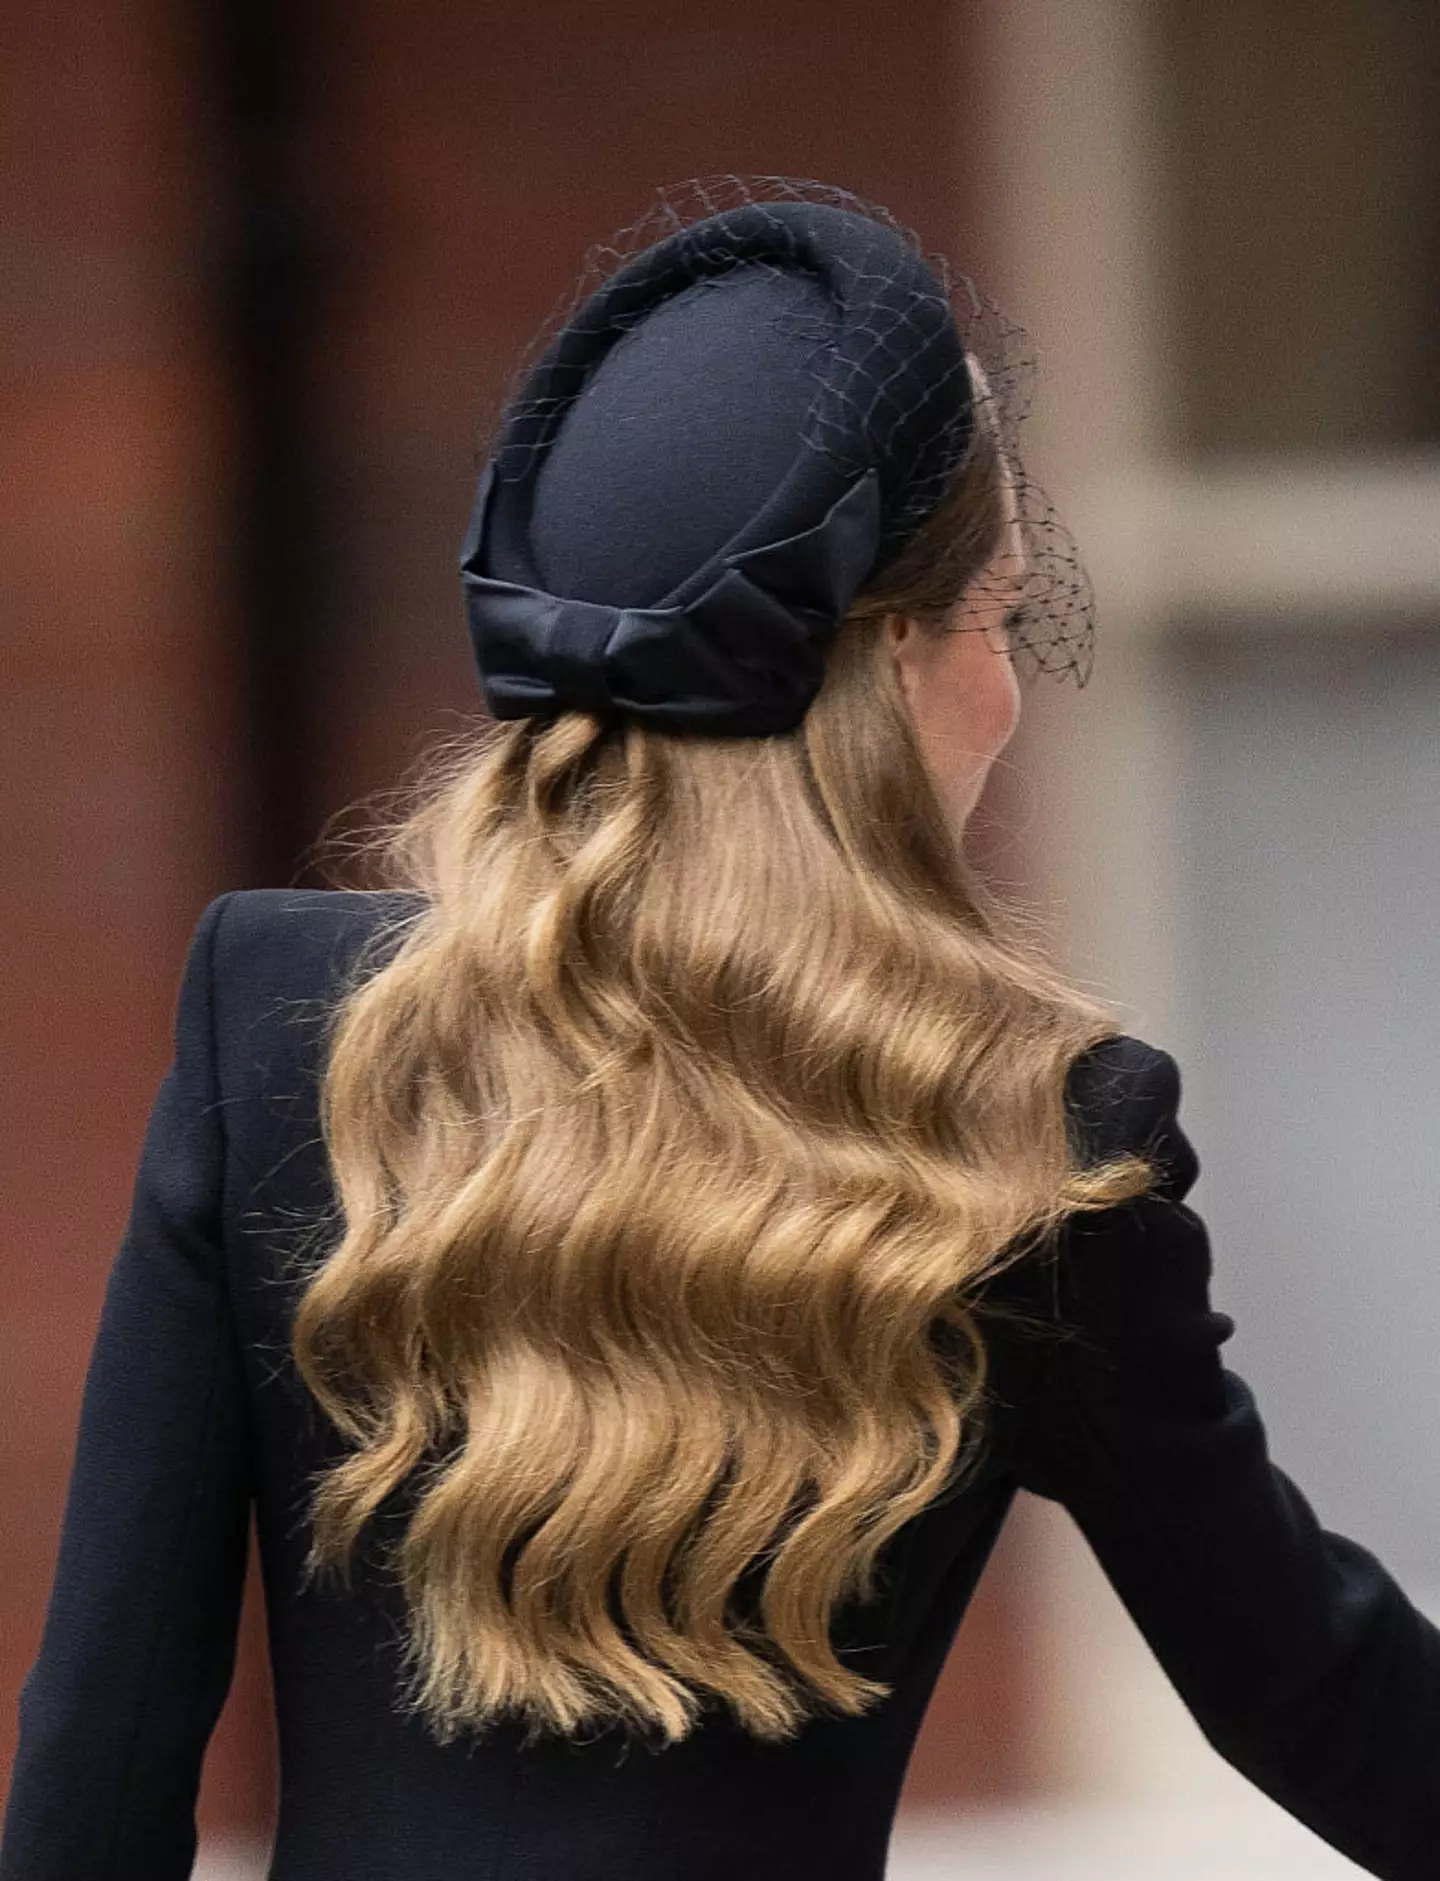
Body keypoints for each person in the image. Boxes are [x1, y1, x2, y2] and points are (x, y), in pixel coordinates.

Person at [3, 178, 1438, 1881]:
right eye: (998, 614)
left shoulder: (288, 1028)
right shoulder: (1028, 1134)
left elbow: (100, 1759)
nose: (1012, 683)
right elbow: (1323, 1697)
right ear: (893, 660)